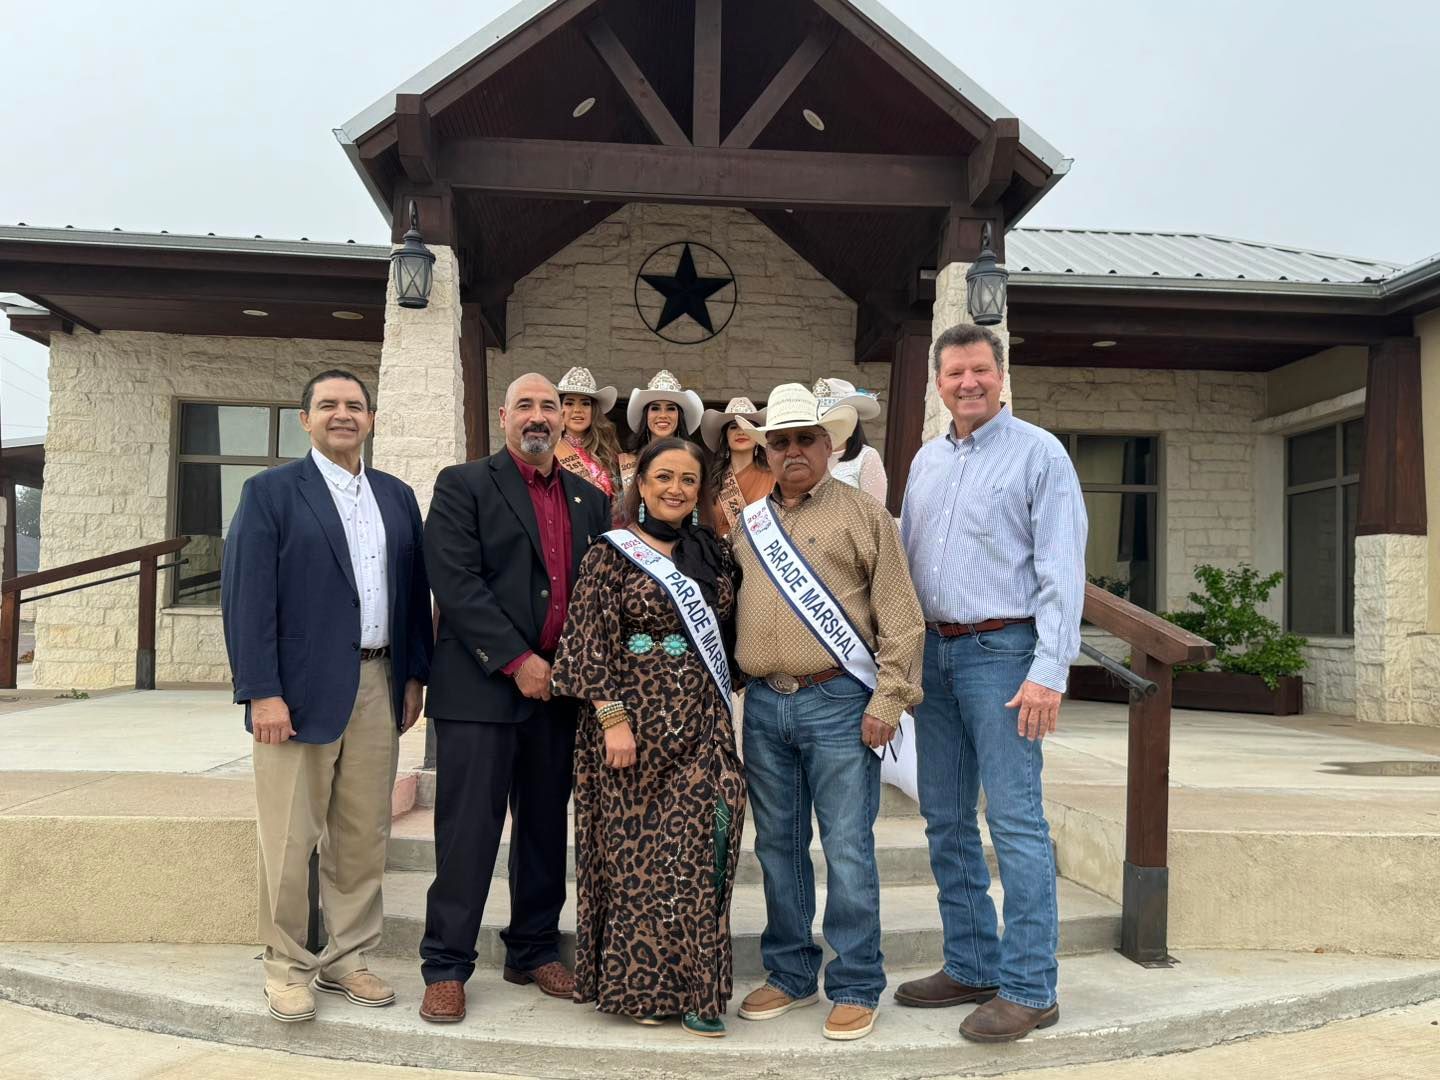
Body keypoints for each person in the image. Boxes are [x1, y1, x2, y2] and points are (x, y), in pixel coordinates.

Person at [221, 369, 432, 1024]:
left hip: (379, 682)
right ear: (306, 419)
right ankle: (285, 964)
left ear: (370, 419)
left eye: (355, 405)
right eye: (328, 405)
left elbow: (414, 594)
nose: (343, 414)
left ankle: (347, 957)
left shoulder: (396, 498)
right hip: (296, 694)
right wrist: (261, 692)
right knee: (289, 836)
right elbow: (247, 599)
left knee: (362, 832)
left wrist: (415, 676)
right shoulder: (271, 494)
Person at [896, 323, 1087, 1043]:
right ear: (938, 383)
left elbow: (1062, 569)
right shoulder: (925, 461)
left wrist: (1049, 671)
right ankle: (972, 963)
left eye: (980, 370)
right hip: (935, 660)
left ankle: (1032, 986)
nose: (968, 382)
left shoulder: (1041, 454)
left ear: (1000, 375)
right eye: (955, 374)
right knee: (945, 817)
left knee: (1014, 822)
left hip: (1006, 657)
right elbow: (906, 563)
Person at [728, 382, 925, 1043]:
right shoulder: (749, 522)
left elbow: (900, 613)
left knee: (846, 848)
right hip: (765, 705)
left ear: (829, 443)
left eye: (804, 439)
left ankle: (857, 981)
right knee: (778, 848)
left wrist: (889, 697)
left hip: (840, 700)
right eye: (778, 442)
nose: (792, 452)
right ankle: (788, 973)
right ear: (768, 451)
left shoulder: (863, 513)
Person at [416, 372, 612, 1024]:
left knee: (542, 831)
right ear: (503, 416)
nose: (537, 416)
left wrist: (575, 670)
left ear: (564, 421)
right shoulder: (463, 484)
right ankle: (446, 964)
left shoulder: (589, 499)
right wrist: (517, 660)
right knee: (469, 834)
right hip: (480, 690)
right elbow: (456, 581)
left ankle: (531, 947)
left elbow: (593, 596)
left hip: (558, 696)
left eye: (548, 407)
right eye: (524, 404)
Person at [551, 437, 745, 1038]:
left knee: (702, 854)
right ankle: (641, 986)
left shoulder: (713, 553)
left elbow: (735, 635)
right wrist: (613, 721)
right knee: (638, 861)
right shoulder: (611, 554)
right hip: (630, 734)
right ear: (641, 482)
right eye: (664, 476)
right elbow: (586, 640)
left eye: (689, 480)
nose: (675, 489)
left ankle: (699, 990)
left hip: (704, 726)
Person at [617, 370, 704, 495]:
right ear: (646, 416)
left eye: (670, 409)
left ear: (680, 416)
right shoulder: (626, 463)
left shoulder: (694, 460)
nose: (663, 415)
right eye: (655, 408)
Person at [700, 396, 771, 538]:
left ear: (758, 438)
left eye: (747, 426)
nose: (740, 432)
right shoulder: (710, 479)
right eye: (733, 427)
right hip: (717, 554)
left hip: (758, 554)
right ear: (725, 437)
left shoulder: (773, 477)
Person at [814, 378, 888, 505]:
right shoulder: (809, 455)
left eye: (833, 418)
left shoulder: (866, 457)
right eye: (822, 417)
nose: (826, 424)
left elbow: (876, 513)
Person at [555, 366, 622, 500]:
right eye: (569, 403)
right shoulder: (550, 452)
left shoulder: (608, 453)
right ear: (559, 409)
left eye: (585, 404)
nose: (577, 410)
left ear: (594, 410)